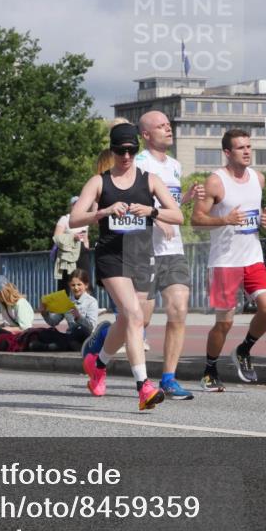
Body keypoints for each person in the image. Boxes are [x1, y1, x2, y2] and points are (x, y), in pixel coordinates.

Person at [70, 122, 183, 411]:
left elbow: (178, 216)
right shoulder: (99, 182)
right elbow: (74, 218)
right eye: (121, 151)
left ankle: (98, 364)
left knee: (128, 320)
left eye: (132, 150)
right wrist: (105, 211)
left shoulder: (150, 180)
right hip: (111, 256)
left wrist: (152, 211)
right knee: (132, 314)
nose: (126, 156)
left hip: (141, 257)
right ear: (113, 150)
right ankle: (144, 387)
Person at [191, 128, 266, 391]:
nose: (247, 151)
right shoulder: (215, 182)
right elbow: (196, 219)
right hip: (224, 262)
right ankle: (209, 368)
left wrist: (265, 220)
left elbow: (256, 216)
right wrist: (223, 220)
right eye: (241, 148)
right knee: (225, 322)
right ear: (227, 152)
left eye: (249, 146)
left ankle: (244, 350)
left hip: (252, 257)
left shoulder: (258, 178)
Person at [135, 110, 203, 400]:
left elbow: (169, 204)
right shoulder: (139, 163)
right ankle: (102, 343)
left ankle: (168, 379)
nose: (168, 129)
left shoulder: (175, 165)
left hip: (173, 250)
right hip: (144, 250)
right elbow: (127, 202)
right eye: (161, 126)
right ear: (146, 135)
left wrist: (183, 201)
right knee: (141, 320)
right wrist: (155, 218)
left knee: (178, 309)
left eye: (168, 125)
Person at [36, 268, 99, 351]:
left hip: (84, 336)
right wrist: (44, 313)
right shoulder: (66, 301)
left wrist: (79, 317)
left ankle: (53, 346)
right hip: (70, 335)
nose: (76, 288)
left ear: (86, 285)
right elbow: (53, 322)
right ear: (69, 285)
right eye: (73, 285)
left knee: (78, 330)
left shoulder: (92, 302)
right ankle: (65, 345)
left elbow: (91, 327)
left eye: (79, 284)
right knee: (44, 333)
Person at [0, 275, 35, 350]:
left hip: (19, 337)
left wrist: (1, 329)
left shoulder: (21, 303)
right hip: (8, 333)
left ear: (3, 292)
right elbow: (7, 324)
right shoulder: (3, 304)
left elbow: (25, 328)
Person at [52, 196, 88, 292]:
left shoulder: (84, 220)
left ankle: (85, 305)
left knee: (83, 279)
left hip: (82, 253)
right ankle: (63, 305)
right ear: (71, 206)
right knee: (65, 282)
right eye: (75, 204)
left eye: (80, 204)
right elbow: (56, 237)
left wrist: (86, 247)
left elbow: (86, 238)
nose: (78, 206)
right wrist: (73, 237)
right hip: (67, 253)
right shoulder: (64, 219)